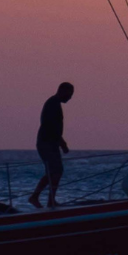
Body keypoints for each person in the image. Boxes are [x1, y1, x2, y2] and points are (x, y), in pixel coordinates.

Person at [28, 81, 74, 209]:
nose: (70, 98)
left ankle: (39, 198)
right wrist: (62, 144)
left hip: (50, 142)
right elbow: (51, 126)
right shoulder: (52, 104)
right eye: (69, 94)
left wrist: (60, 142)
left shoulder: (54, 104)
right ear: (63, 91)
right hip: (46, 142)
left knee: (53, 171)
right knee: (56, 171)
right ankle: (47, 199)